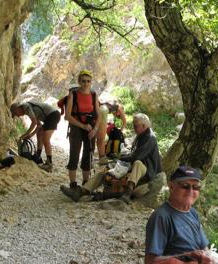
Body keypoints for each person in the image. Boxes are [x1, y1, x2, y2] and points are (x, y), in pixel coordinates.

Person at [63, 113, 162, 203]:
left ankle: (127, 193)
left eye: (136, 126)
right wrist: (118, 160)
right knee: (104, 172)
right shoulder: (140, 136)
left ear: (143, 126)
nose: (134, 128)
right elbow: (132, 153)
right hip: (135, 169)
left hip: (147, 171)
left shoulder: (150, 137)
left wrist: (120, 158)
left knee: (138, 163)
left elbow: (136, 157)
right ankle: (82, 191)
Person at [60, 69, 102, 199]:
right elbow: (67, 116)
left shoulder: (94, 95)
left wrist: (95, 129)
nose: (86, 84)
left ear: (91, 82)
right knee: (74, 153)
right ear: (79, 82)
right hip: (76, 126)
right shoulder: (73, 94)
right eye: (83, 81)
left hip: (90, 127)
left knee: (88, 153)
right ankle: (73, 185)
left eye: (88, 81)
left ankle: (85, 184)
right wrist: (83, 125)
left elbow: (99, 114)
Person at [10, 100, 60, 172]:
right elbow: (38, 125)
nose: (18, 116)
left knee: (45, 139)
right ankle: (38, 155)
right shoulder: (28, 109)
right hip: (49, 117)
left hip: (52, 115)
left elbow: (34, 122)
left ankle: (49, 164)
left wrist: (26, 134)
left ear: (18, 108)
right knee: (39, 133)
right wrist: (30, 135)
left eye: (15, 113)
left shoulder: (26, 107)